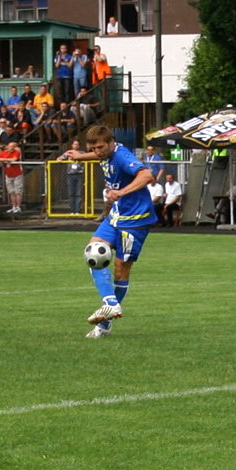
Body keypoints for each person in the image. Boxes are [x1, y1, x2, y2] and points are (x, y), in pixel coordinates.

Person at [65, 125, 155, 339]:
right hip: (117, 216)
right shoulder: (102, 152)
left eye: (101, 148)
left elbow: (147, 176)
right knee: (94, 253)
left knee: (120, 270)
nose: (98, 152)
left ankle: (104, 325)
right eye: (93, 148)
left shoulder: (122, 155)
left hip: (135, 219)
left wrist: (120, 192)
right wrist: (80, 155)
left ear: (111, 142)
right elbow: (96, 154)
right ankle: (111, 303)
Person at [0, 141, 23, 213]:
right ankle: (13, 206)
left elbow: (14, 159)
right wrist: (4, 160)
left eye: (13, 146)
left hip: (17, 174)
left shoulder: (16, 152)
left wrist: (4, 160)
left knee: (18, 191)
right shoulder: (4, 153)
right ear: (7, 146)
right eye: (10, 146)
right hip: (8, 174)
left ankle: (18, 207)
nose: (11, 148)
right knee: (11, 191)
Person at [60, 139, 84, 214]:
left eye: (77, 144)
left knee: (78, 193)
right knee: (71, 193)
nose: (76, 146)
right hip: (70, 174)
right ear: (72, 145)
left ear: (79, 146)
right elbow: (60, 157)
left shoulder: (82, 153)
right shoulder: (68, 152)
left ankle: (77, 210)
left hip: (79, 174)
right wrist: (59, 159)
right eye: (75, 144)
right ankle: (72, 210)